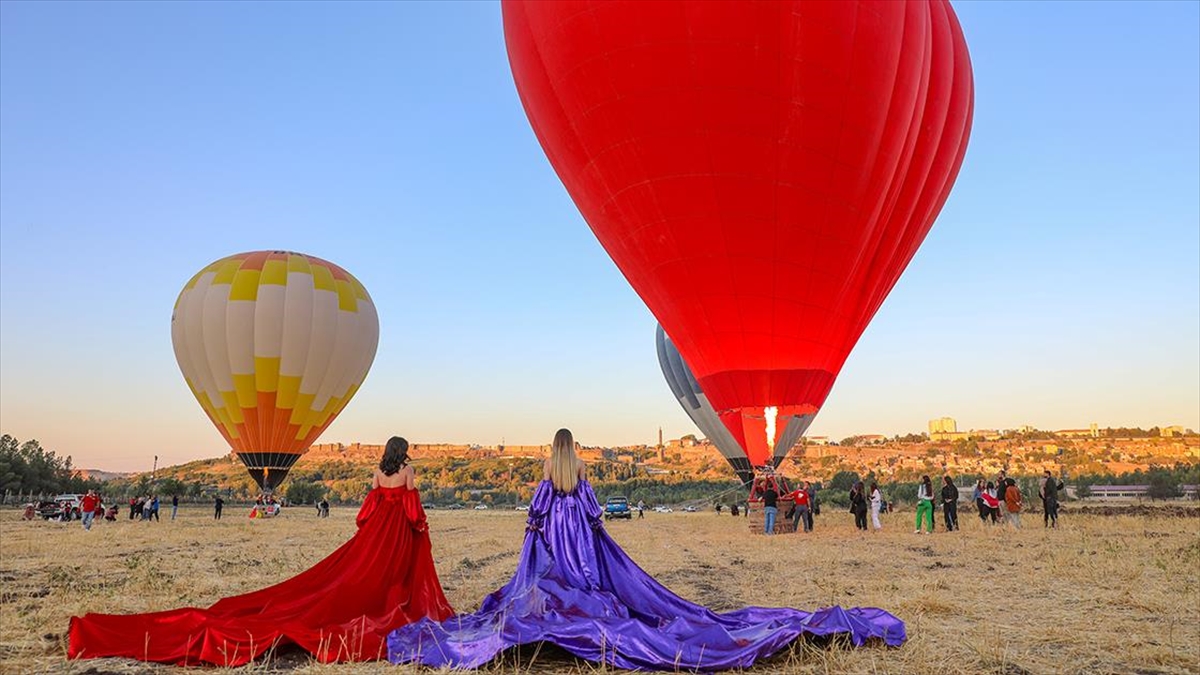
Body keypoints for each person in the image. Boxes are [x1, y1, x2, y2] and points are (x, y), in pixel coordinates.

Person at [387, 428, 905, 670]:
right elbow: (590, 511)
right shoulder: (582, 472)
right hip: (582, 543)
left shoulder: (546, 472)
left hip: (554, 542)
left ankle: (560, 601)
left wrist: (535, 548)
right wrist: (593, 537)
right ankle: (585, 596)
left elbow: (538, 513)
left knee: (551, 588)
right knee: (594, 587)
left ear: (551, 451)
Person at [69, 436, 453, 665]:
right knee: (392, 572)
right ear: (403, 451)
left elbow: (370, 504)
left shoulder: (379, 470)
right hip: (397, 530)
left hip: (376, 531)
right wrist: (419, 526)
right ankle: (390, 601)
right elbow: (411, 505)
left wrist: (376, 523)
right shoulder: (406, 471)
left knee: (355, 569)